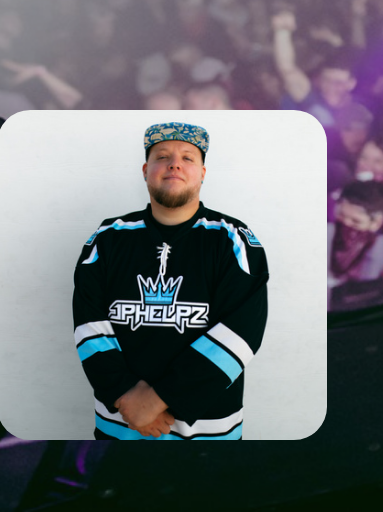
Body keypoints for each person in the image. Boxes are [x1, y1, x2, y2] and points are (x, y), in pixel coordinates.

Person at [73, 122, 269, 440]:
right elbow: (88, 322)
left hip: (209, 431)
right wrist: (125, 395)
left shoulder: (234, 239)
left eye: (187, 158)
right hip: (122, 424)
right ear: (145, 171)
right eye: (162, 156)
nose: (174, 164)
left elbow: (243, 329)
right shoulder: (107, 237)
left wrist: (157, 400)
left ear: (202, 173)